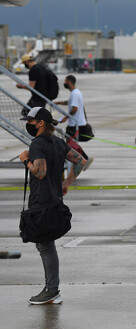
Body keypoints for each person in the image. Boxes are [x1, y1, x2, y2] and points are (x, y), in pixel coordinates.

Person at [18, 107, 86, 305]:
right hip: (55, 199)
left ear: (40, 123)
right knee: (45, 245)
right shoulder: (58, 142)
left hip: (42, 201)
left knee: (46, 246)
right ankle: (50, 287)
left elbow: (39, 172)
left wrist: (25, 160)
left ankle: (52, 290)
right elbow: (80, 161)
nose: (28, 124)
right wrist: (66, 184)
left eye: (30, 121)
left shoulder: (37, 144)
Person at [55, 75, 93, 170]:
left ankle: (84, 160)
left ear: (69, 82)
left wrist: (65, 117)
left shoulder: (74, 94)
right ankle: (81, 160)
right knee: (70, 143)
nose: (64, 83)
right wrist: (60, 102)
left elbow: (74, 108)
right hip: (77, 123)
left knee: (69, 144)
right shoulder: (76, 92)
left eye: (65, 81)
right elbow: (71, 102)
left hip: (75, 124)